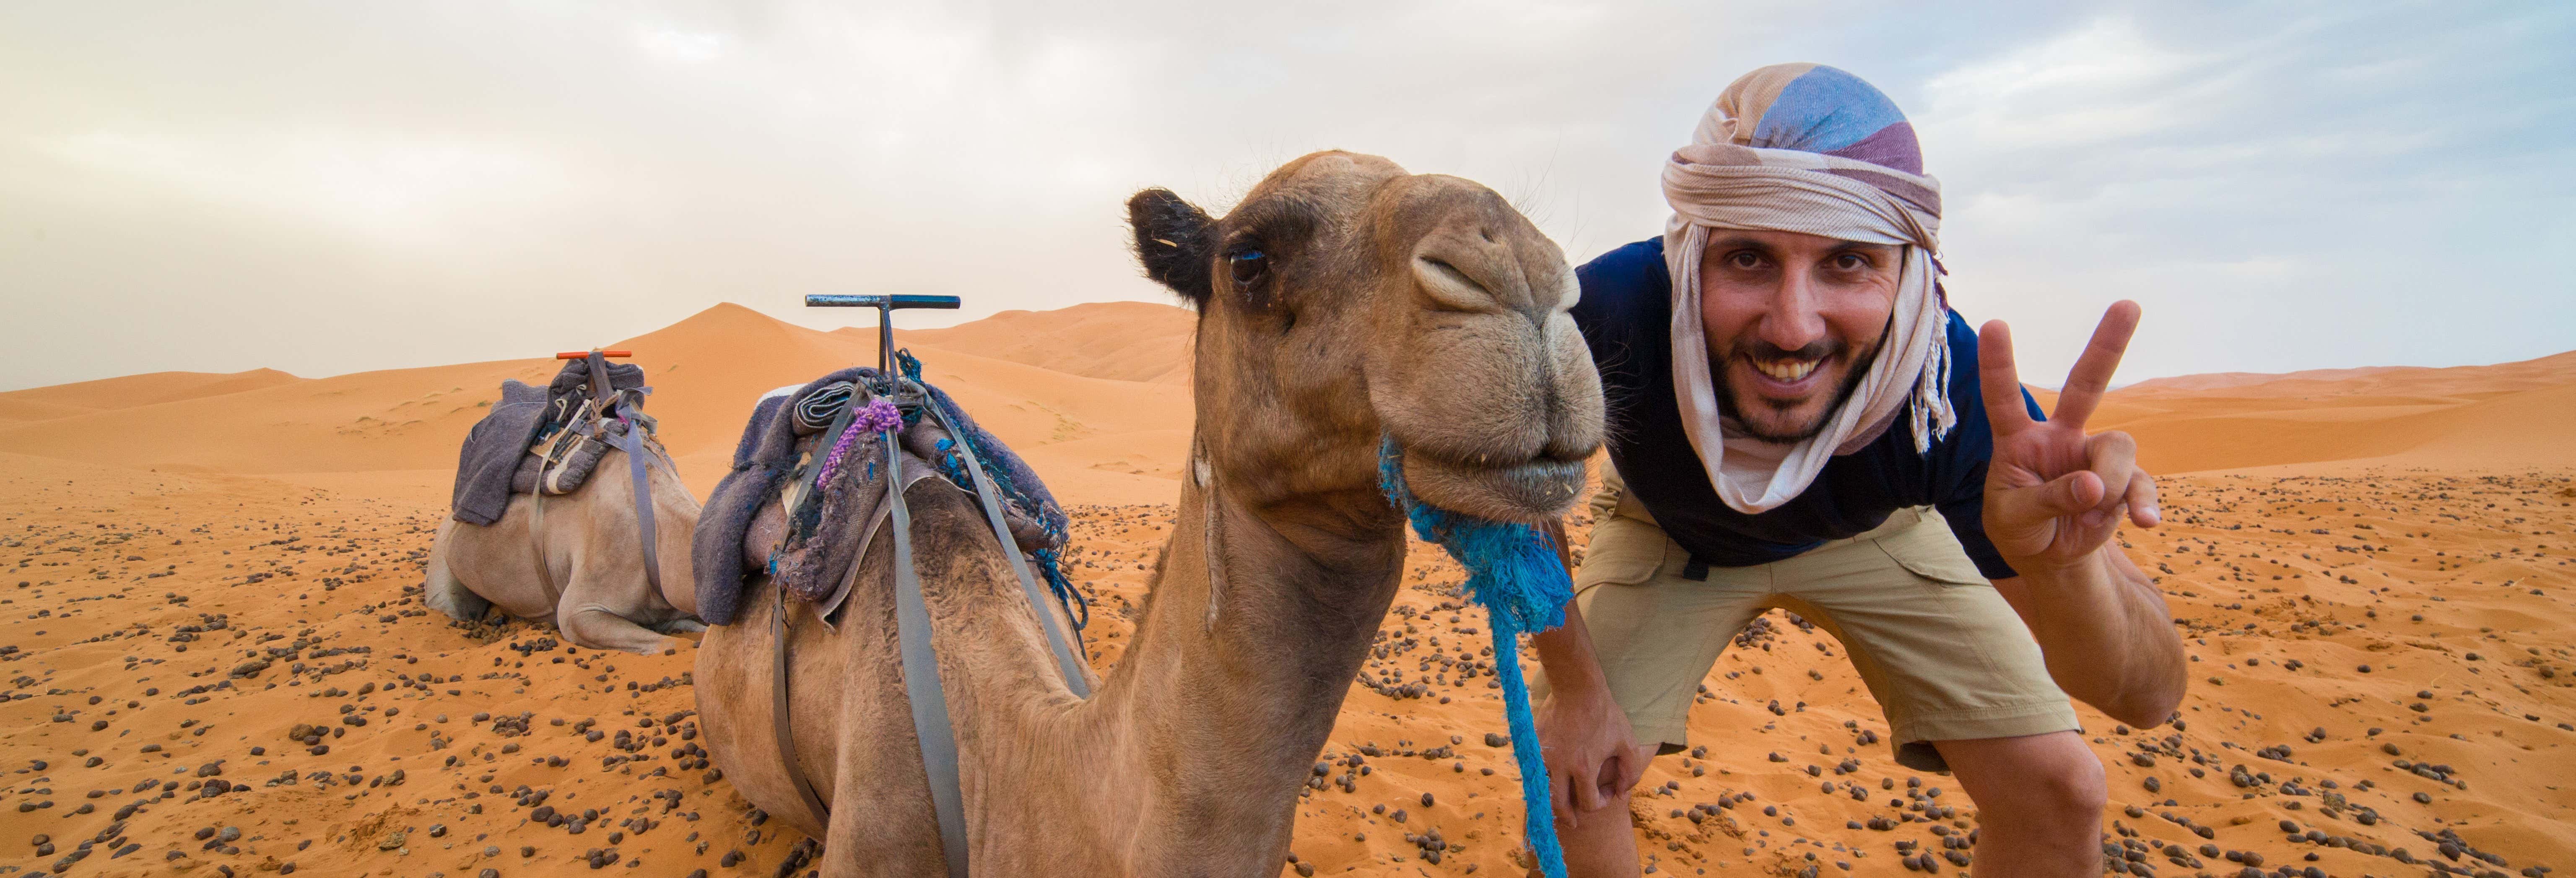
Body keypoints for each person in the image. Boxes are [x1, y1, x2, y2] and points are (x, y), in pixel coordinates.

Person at [1532, 63, 2187, 877]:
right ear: (1692, 250)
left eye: (1847, 261)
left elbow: (2146, 698)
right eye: (1747, 259)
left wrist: (2070, 570)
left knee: (2062, 788)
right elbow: (1510, 491)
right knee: (1574, 789)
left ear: (1906, 271)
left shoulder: (1946, 388)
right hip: (1675, 531)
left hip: (1873, 533)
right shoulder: (1614, 311)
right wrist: (1579, 692)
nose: (1793, 326)